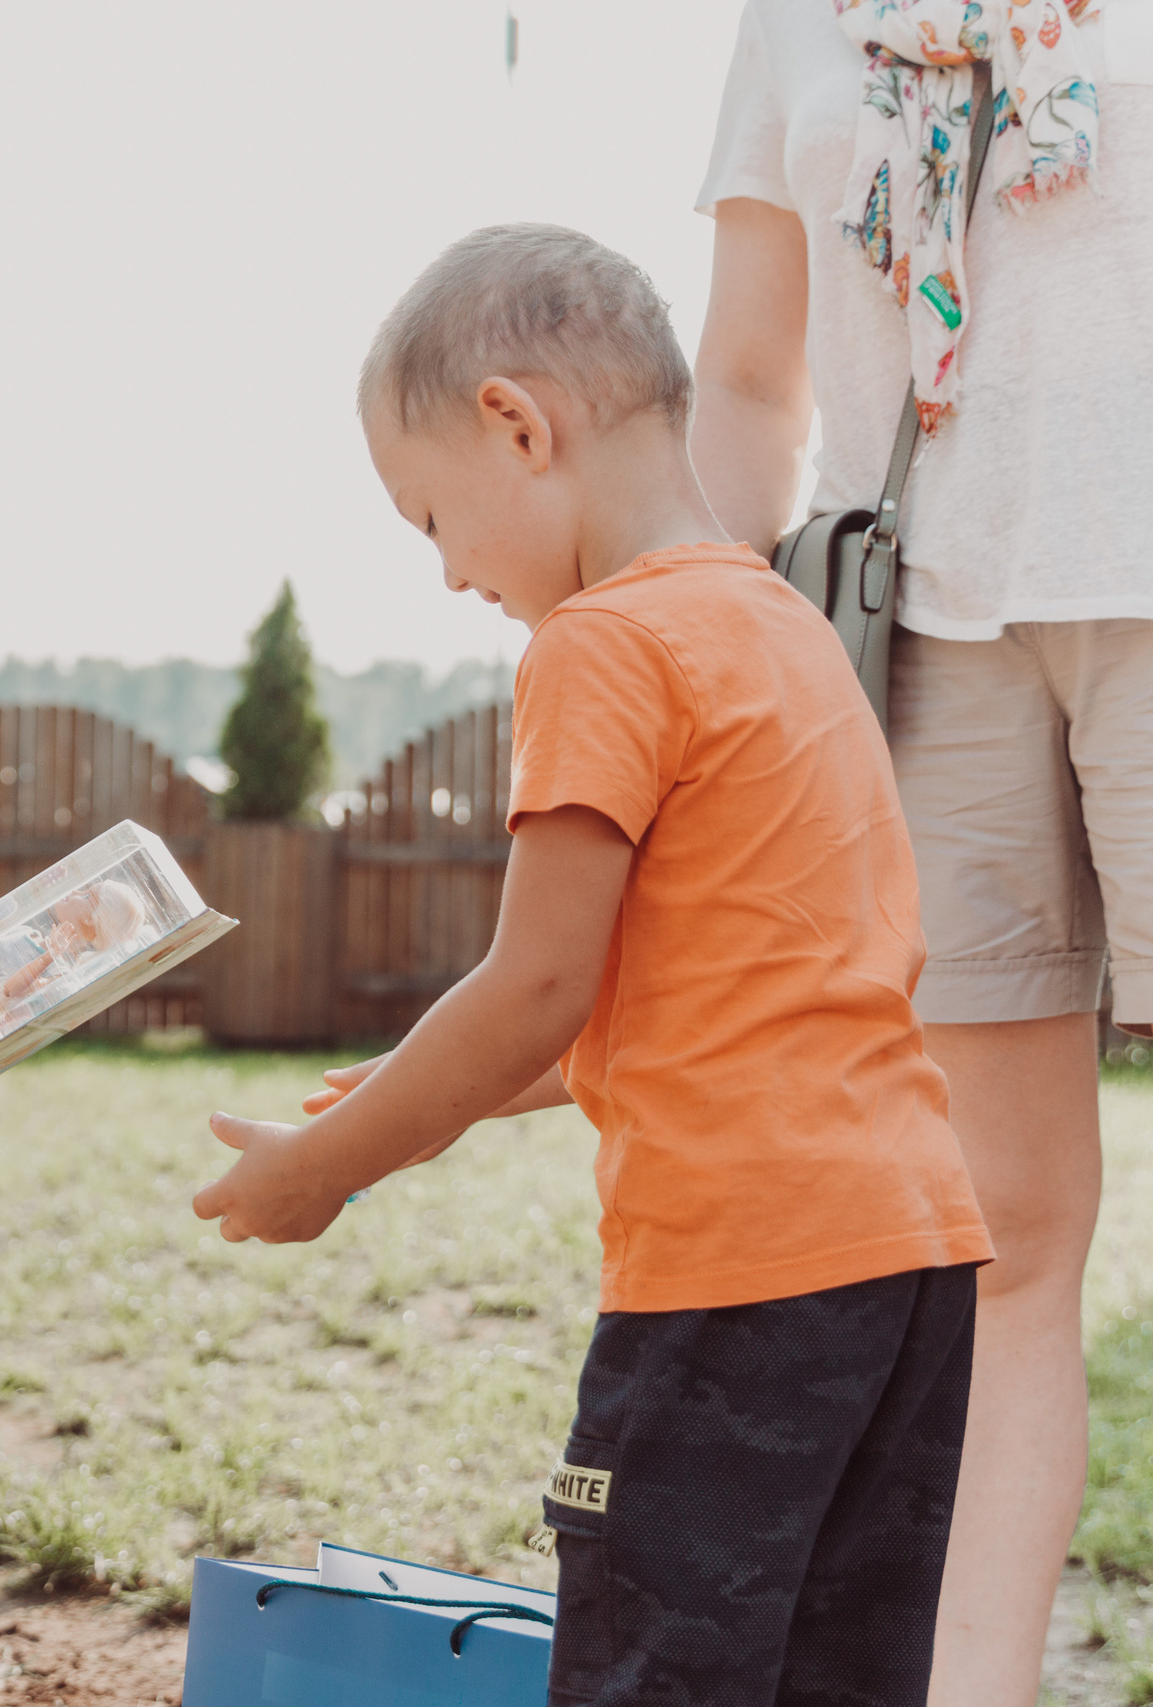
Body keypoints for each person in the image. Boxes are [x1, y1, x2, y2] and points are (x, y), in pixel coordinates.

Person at [194, 225, 994, 1701]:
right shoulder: (788, 630)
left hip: (733, 1282)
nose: (445, 575)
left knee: (655, 1675)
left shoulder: (602, 644)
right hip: (912, 1260)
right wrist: (416, 1086)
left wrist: (334, 1168)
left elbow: (536, 987)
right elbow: (707, 999)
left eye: (430, 516)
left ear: (518, 424)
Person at [689, 4, 1150, 1693]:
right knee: (1002, 1240)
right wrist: (692, 647)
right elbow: (750, 377)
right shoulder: (794, 22)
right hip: (931, 634)